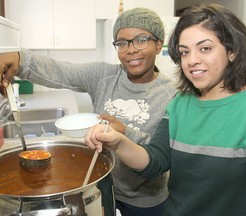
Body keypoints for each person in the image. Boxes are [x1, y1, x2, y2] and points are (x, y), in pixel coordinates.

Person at [84, 3, 246, 216]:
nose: (192, 61)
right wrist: (118, 142)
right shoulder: (180, 104)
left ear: (232, 51)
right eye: (184, 52)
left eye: (205, 48)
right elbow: (156, 161)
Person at [0, 8, 177, 216]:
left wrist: (123, 132)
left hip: (146, 202)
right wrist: (19, 59)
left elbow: (162, 155)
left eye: (141, 40)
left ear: (158, 45)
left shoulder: (171, 95)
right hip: (102, 188)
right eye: (122, 43)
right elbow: (60, 71)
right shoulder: (103, 76)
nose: (131, 49)